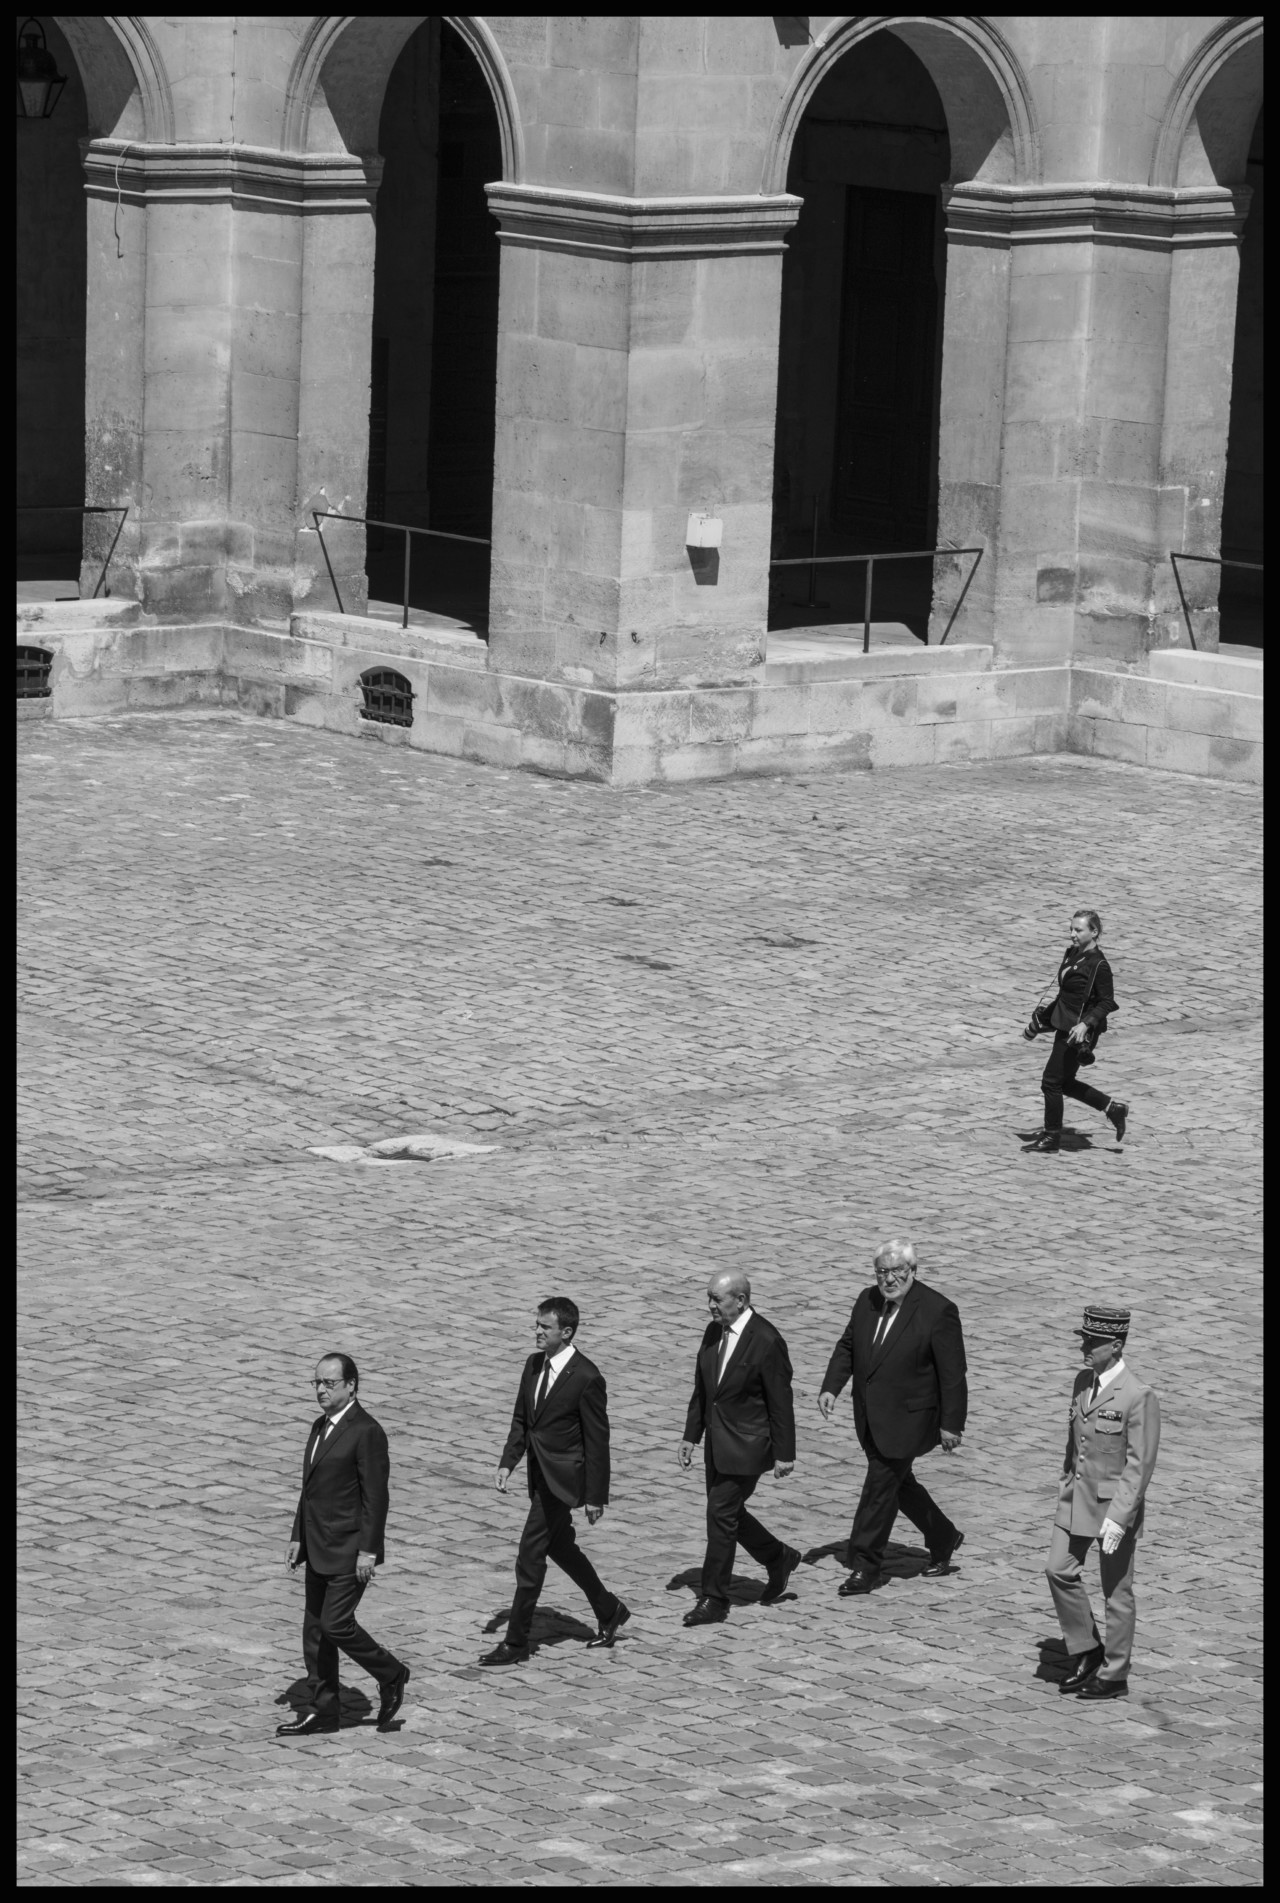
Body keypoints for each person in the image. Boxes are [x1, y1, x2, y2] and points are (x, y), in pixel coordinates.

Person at [481, 1298, 629, 1667]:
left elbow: (597, 1442)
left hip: (563, 1481)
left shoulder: (587, 1377)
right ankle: (609, 1609)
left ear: (566, 1332)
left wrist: (595, 1496)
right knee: (560, 1547)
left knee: (530, 1556)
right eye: (537, 1325)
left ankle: (516, 1642)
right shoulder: (533, 1365)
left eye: (544, 1327)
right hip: (538, 1475)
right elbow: (522, 1420)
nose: (537, 1331)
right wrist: (508, 1462)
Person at [818, 1239, 967, 1596]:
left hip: (910, 1419)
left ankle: (865, 1565)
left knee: (879, 1488)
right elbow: (848, 1345)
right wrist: (831, 1386)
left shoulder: (938, 1311)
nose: (888, 1279)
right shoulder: (866, 1301)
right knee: (898, 1484)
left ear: (913, 1271)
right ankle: (943, 1535)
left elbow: (953, 1374)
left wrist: (951, 1424)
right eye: (881, 1272)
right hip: (870, 1416)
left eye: (897, 1272)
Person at [278, 1354, 409, 1737]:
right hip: (317, 1545)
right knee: (315, 1634)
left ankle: (391, 1673)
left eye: (329, 1383)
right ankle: (324, 1711)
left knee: (335, 1624)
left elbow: (376, 1498)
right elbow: (311, 1490)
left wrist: (369, 1551)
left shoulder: (366, 1431)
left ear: (351, 1385)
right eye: (316, 1382)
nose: (321, 1390)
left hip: (350, 1550)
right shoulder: (319, 1426)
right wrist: (298, 1536)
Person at [1046, 1304, 1161, 1700]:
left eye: (1092, 1342)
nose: (1084, 1348)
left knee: (1116, 1593)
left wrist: (1120, 1517)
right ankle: (1088, 1649)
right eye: (1084, 1339)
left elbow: (1139, 1465)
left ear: (1115, 1346)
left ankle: (1114, 1674)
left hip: (1113, 1510)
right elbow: (1074, 1444)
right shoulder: (1083, 1381)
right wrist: (1065, 1483)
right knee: (1058, 1569)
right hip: (1075, 1500)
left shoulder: (1138, 1395)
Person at [678, 1270, 799, 1625]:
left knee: (720, 1513)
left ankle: (715, 1598)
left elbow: (781, 1402)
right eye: (709, 1298)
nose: (710, 1306)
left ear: (741, 1300)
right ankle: (778, 1557)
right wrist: (691, 1435)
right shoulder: (713, 1332)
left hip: (748, 1445)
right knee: (727, 1514)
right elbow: (703, 1388)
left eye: (717, 1299)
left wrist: (785, 1453)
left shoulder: (767, 1340)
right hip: (716, 1444)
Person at [1023, 909, 1128, 1153]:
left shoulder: (1098, 964)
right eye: (1071, 929)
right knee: (1064, 1082)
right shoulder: (1073, 953)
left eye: (1078, 930)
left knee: (1051, 1082)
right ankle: (1113, 1108)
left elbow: (1107, 1002)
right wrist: (1043, 1020)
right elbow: (1065, 995)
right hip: (1065, 1024)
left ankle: (1051, 1138)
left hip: (1079, 1032)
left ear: (1094, 931)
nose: (1072, 934)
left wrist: (1085, 1024)